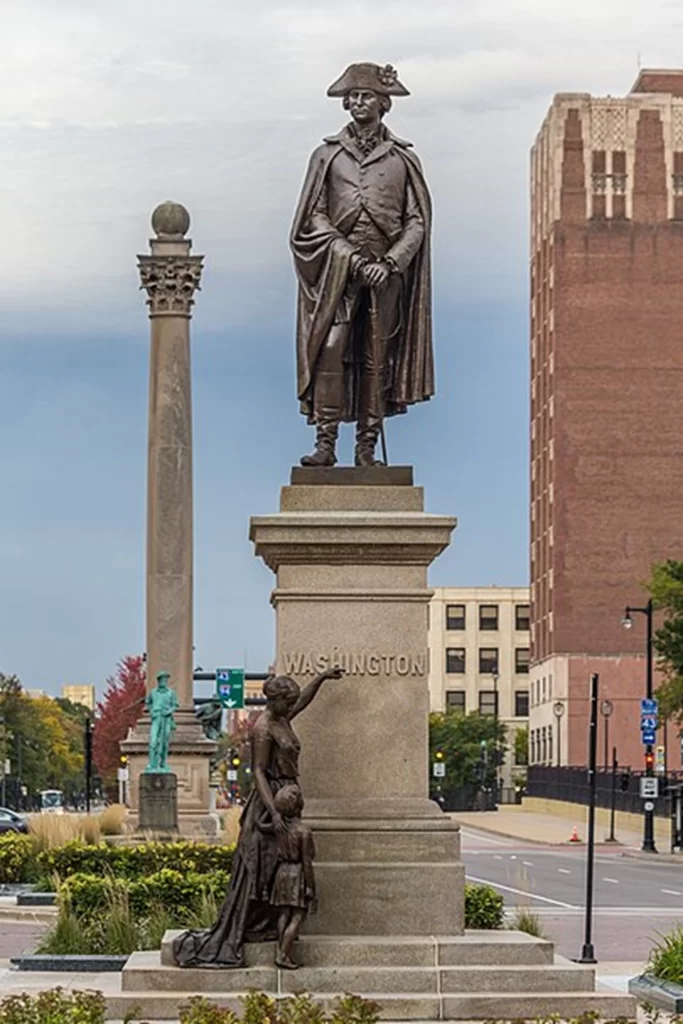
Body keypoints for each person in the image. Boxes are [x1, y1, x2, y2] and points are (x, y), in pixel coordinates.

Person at [291, 62, 434, 468]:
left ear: (383, 103)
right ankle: (326, 442)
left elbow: (416, 221)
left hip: (385, 274)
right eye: (351, 97)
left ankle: (366, 448)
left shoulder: (403, 160)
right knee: (331, 349)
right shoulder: (327, 156)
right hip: (338, 272)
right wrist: (348, 256)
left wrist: (390, 262)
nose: (357, 102)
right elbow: (313, 215)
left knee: (377, 355)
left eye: (365, 96)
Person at [173, 666, 342, 968]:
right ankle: (260, 929)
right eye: (287, 703)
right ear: (274, 702)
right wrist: (274, 811)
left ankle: (271, 930)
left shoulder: (283, 717)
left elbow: (302, 700)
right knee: (264, 866)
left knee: (277, 865)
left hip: (287, 795)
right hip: (271, 800)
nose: (292, 707)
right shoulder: (263, 728)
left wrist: (321, 678)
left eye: (291, 704)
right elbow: (259, 772)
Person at [266, 784, 316, 969]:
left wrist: (274, 814)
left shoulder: (278, 828)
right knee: (297, 917)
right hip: (296, 874)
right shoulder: (304, 831)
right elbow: (307, 861)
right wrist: (311, 887)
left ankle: (282, 951)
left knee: (283, 914)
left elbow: (260, 825)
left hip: (282, 873)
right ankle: (283, 954)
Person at [145, 671, 178, 773]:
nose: (165, 681)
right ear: (159, 680)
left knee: (164, 742)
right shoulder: (153, 693)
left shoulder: (171, 693)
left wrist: (169, 711)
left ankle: (163, 763)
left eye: (166, 679)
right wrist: (151, 712)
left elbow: (175, 705)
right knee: (153, 741)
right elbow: (148, 703)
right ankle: (152, 764)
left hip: (166, 718)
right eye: (163, 679)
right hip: (156, 717)